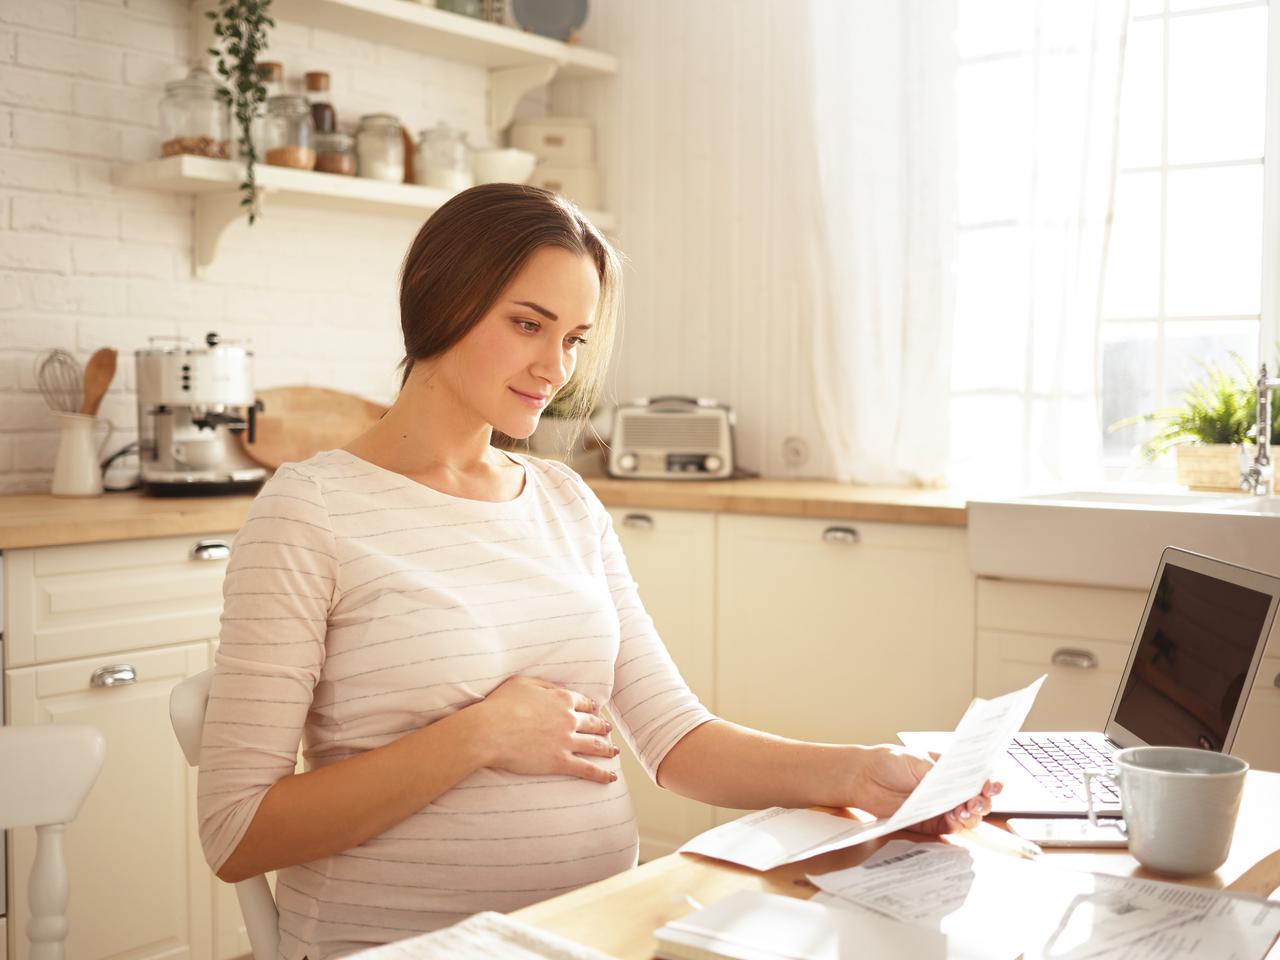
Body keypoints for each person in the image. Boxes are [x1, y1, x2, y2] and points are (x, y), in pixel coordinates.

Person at [197, 183, 997, 960]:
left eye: (575, 338)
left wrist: (863, 773)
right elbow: (237, 832)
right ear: (440, 300)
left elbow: (679, 740)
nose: (557, 367)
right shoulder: (312, 509)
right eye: (528, 324)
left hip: (603, 931)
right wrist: (481, 734)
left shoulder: (564, 500)